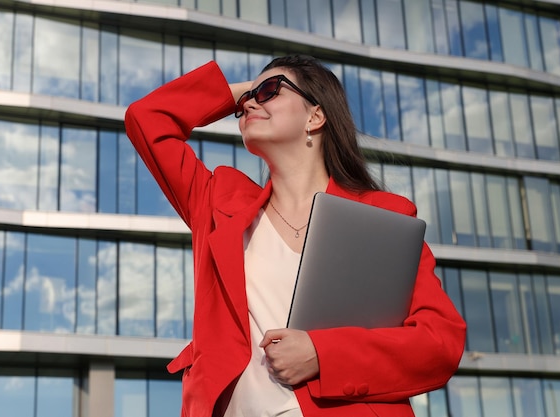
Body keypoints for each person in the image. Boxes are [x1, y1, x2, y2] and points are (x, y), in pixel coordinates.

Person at [124, 55, 466, 417]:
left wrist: (322, 354)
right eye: (246, 102)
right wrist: (240, 93)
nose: (251, 103)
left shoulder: (383, 216)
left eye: (270, 90)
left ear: (315, 117)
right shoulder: (218, 204)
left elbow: (439, 341)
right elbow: (147, 118)